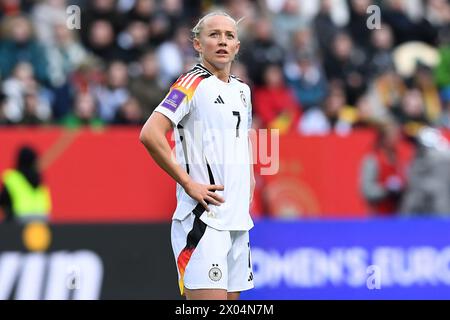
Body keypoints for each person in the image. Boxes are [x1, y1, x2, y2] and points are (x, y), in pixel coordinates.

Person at [139, 11, 255, 300]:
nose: (222, 41)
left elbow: (243, 139)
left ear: (237, 47)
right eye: (214, 34)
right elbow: (150, 134)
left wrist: (249, 180)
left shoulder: (242, 90)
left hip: (238, 222)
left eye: (229, 36)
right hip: (204, 221)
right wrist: (188, 183)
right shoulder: (190, 83)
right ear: (198, 45)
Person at [360, 119, 406, 216]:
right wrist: (386, 190)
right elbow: (366, 189)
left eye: (397, 135)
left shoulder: (399, 159)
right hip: (379, 216)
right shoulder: (373, 160)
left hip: (397, 214)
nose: (396, 139)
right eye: (392, 135)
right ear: (383, 138)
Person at [0, 146, 52, 223]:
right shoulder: (40, 179)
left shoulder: (12, 177)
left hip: (20, 219)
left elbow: (3, 201)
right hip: (43, 219)